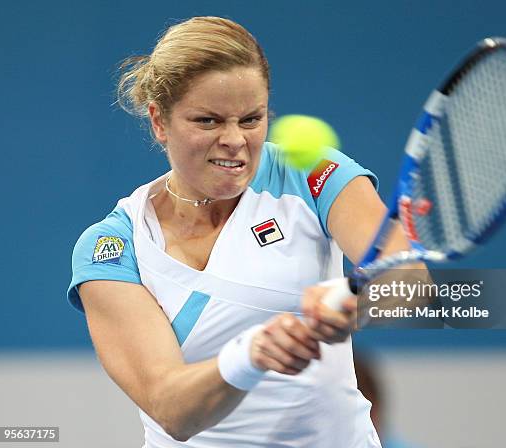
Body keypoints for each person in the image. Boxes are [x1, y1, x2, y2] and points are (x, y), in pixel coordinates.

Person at [67, 16, 423, 447]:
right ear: (160, 121)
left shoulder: (312, 174)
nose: (235, 140)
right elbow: (171, 408)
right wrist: (251, 354)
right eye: (208, 121)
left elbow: (409, 283)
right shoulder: (113, 249)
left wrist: (355, 300)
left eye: (251, 119)